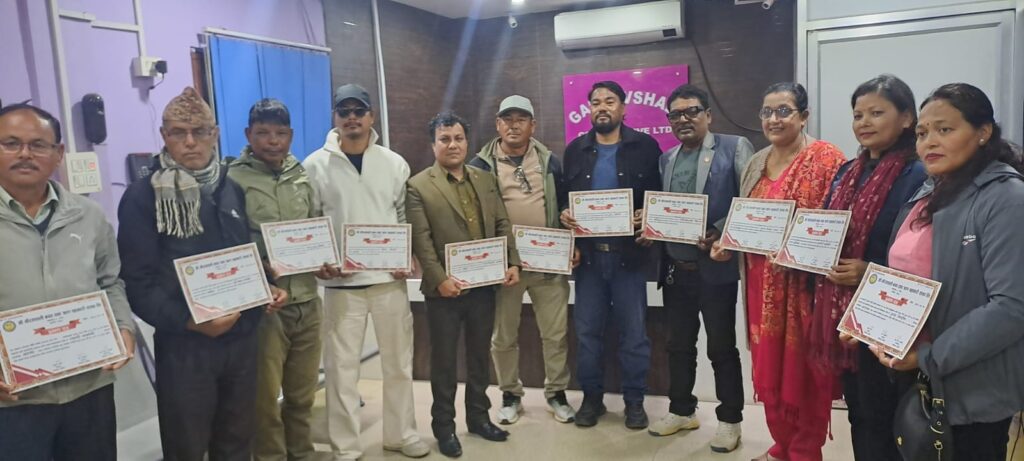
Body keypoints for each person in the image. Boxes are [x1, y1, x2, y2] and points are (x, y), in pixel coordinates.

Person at [118, 87, 287, 461]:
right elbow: (137, 282)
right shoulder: (143, 197)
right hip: (186, 345)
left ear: (215, 134)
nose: (190, 142)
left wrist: (267, 287)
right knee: (187, 446)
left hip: (242, 339)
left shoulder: (230, 188)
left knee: (238, 441)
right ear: (164, 136)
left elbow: (239, 257)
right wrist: (188, 322)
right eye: (179, 133)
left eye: (200, 131)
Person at [859, 83, 1024, 461]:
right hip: (917, 375)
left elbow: (1011, 307)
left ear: (983, 132)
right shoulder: (928, 193)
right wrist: (871, 322)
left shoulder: (1006, 198)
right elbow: (903, 273)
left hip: (973, 388)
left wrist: (929, 357)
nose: (929, 141)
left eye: (945, 129)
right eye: (922, 133)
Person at [711, 82, 845, 461]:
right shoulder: (756, 162)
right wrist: (727, 243)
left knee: (805, 373)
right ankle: (781, 447)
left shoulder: (827, 159)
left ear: (804, 116)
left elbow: (838, 225)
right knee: (767, 366)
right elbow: (747, 220)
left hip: (805, 290)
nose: (774, 119)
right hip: (760, 286)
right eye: (767, 112)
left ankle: (804, 452)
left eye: (784, 111)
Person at [0, 103, 136, 460]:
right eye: (11, 143)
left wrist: (124, 327)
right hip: (14, 401)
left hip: (88, 389)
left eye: (38, 144)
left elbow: (111, 281)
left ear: (58, 153)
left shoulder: (88, 215)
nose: (25, 154)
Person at [303, 84, 429, 460]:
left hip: (389, 282)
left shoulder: (394, 163)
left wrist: (406, 255)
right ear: (335, 118)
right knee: (341, 371)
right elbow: (311, 221)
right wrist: (321, 261)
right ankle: (345, 446)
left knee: (398, 364)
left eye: (359, 111)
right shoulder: (314, 166)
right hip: (341, 285)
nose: (352, 118)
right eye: (344, 112)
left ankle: (402, 434)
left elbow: (403, 215)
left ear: (372, 117)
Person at [808, 75, 926, 461]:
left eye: (877, 113)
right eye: (858, 115)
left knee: (890, 415)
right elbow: (828, 230)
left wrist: (869, 271)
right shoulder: (847, 172)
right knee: (859, 411)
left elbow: (921, 252)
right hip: (846, 311)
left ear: (906, 118)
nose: (864, 123)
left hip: (891, 312)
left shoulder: (920, 174)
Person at [645, 84, 753, 454]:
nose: (683, 119)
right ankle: (681, 410)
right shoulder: (667, 158)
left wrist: (720, 230)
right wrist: (652, 227)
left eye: (691, 111)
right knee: (678, 345)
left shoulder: (733, 148)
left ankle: (730, 420)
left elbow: (749, 199)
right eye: (675, 114)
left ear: (708, 114)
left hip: (715, 270)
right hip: (676, 269)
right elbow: (666, 209)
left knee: (721, 348)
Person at [406, 110, 521, 458]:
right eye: (444, 139)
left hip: (484, 287)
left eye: (458, 138)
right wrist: (439, 279)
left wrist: (511, 262)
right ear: (433, 144)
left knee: (479, 357)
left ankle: (479, 418)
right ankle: (444, 427)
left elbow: (502, 223)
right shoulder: (418, 185)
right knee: (444, 363)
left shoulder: (485, 179)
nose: (452, 145)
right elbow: (422, 241)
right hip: (444, 292)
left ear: (467, 142)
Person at [559, 80, 662, 429]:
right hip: (588, 261)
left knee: (634, 335)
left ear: (623, 108)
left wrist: (648, 217)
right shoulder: (575, 150)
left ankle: (634, 401)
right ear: (589, 109)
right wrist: (563, 214)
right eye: (596, 102)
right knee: (588, 335)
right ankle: (592, 400)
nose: (602, 107)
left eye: (610, 101)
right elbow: (564, 199)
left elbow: (659, 198)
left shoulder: (645, 147)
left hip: (629, 259)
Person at [467, 95, 575, 425]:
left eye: (521, 119)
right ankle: (510, 394)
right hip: (505, 268)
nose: (514, 125)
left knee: (555, 334)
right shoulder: (479, 166)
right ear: (497, 124)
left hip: (548, 263)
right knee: (503, 336)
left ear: (533, 125)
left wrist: (570, 238)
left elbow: (565, 206)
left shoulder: (551, 162)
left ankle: (556, 393)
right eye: (507, 119)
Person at [227, 99, 323, 461]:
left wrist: (324, 261)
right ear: (248, 134)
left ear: (290, 136)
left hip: (307, 300)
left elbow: (314, 228)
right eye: (263, 133)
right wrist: (261, 270)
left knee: (303, 393)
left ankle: (302, 453)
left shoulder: (301, 174)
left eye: (280, 133)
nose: (272, 141)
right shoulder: (232, 179)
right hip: (266, 307)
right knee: (264, 399)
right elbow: (230, 244)